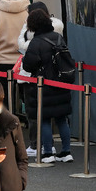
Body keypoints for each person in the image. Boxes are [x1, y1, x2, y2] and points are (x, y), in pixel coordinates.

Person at [21, 9, 73, 163]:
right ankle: (66, 151)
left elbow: (29, 65)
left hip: (43, 85)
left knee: (44, 119)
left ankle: (48, 152)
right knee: (61, 119)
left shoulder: (35, 42)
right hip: (61, 83)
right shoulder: (58, 38)